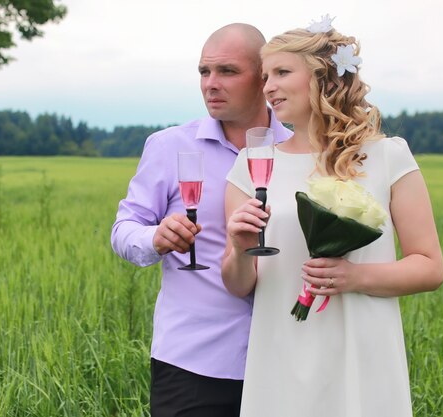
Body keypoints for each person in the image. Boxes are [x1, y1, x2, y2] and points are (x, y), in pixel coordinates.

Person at [221, 17, 443, 417]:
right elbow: (239, 285)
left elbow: (430, 267)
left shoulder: (388, 156)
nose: (268, 86)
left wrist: (356, 277)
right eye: (265, 75)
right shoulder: (251, 165)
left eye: (282, 72)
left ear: (323, 77)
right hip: (282, 350)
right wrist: (239, 251)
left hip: (363, 348)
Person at [111, 23, 292, 417]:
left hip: (286, 358)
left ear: (264, 79)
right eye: (203, 72)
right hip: (192, 361)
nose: (210, 83)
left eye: (226, 71)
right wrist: (155, 237)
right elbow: (123, 230)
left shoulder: (300, 151)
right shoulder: (168, 147)